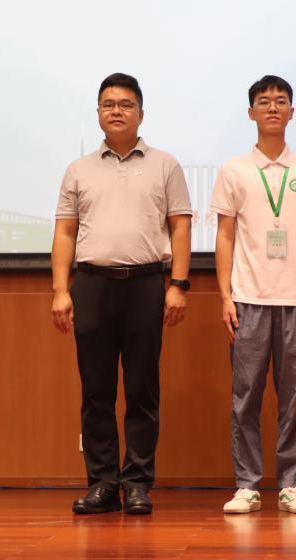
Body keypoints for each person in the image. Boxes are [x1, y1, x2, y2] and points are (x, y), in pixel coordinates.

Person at [51, 73, 193, 515]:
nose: (117, 111)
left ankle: (136, 484)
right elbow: (65, 232)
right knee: (96, 391)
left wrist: (178, 285)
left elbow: (180, 226)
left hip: (146, 284)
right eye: (108, 104)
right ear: (98, 113)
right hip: (91, 285)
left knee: (141, 389)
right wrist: (60, 291)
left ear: (141, 114)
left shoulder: (165, 165)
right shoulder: (78, 169)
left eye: (126, 104)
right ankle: (102, 484)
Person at [211, 75, 296, 514]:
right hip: (248, 300)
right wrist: (225, 296)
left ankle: (291, 484)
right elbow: (225, 236)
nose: (273, 107)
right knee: (245, 398)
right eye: (264, 101)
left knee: (295, 398)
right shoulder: (234, 170)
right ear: (250, 112)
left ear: (292, 111)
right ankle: (247, 485)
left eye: (281, 101)